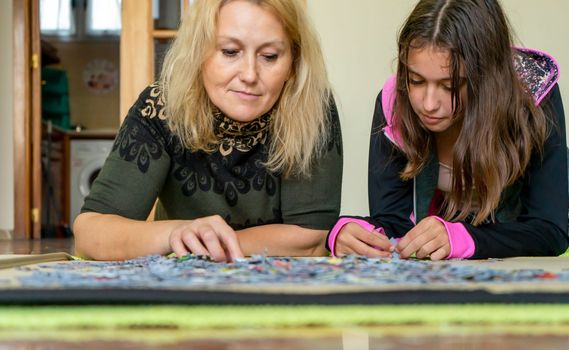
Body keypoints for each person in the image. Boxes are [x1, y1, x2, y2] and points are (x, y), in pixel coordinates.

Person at [74, 0, 343, 261]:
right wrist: (175, 234)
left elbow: (309, 239)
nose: (249, 74)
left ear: (293, 65)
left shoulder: (311, 105)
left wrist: (205, 243)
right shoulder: (159, 106)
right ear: (198, 52)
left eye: (269, 56)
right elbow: (90, 233)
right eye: (230, 52)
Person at [327, 0, 568, 260]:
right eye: (416, 80)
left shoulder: (532, 99)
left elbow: (550, 231)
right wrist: (347, 232)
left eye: (450, 86)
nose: (428, 104)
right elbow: (395, 225)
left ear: (487, 78)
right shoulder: (394, 104)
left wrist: (465, 238)